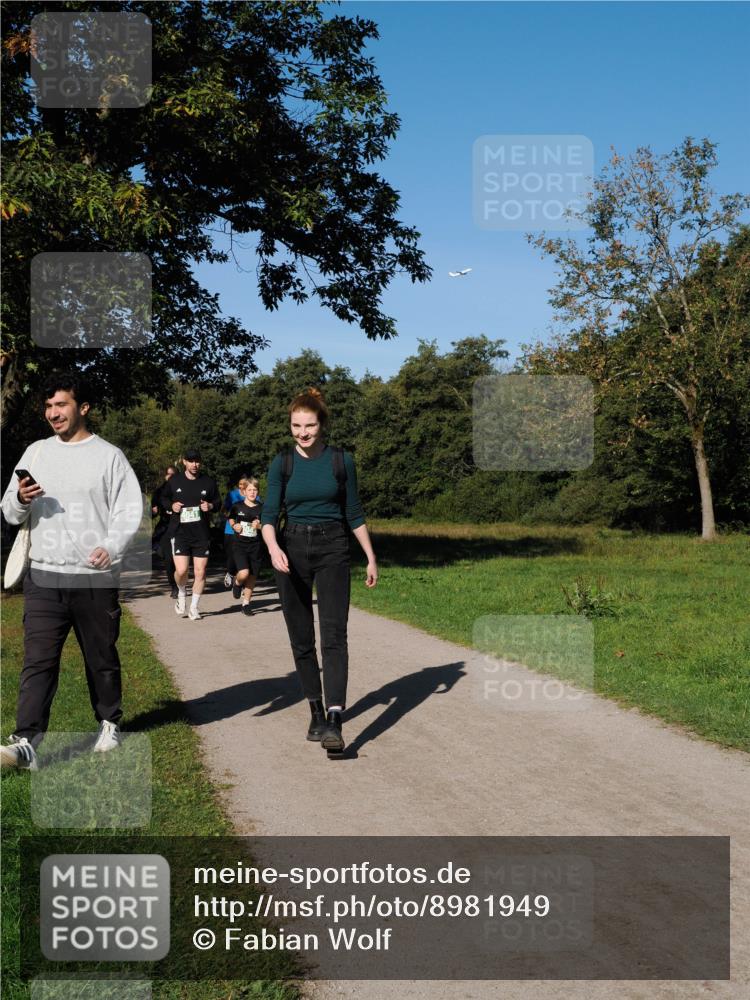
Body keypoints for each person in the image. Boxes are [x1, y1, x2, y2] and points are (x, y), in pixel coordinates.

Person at [0, 372, 143, 770]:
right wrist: (21, 499)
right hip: (43, 576)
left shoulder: (109, 456)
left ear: (84, 408)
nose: (53, 413)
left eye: (61, 404)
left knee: (101, 657)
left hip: (93, 577)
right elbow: (9, 511)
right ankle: (26, 741)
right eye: (48, 406)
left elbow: (129, 510)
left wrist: (110, 547)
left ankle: (109, 722)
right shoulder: (35, 453)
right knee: (38, 661)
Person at [261, 388, 377, 755]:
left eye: (309, 425)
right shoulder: (282, 463)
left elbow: (353, 511)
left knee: (334, 635)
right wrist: (273, 548)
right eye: (296, 426)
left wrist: (370, 556)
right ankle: (315, 710)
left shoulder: (341, 461)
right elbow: (268, 515)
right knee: (301, 637)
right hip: (291, 548)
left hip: (333, 547)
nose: (303, 433)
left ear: (321, 424)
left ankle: (334, 720)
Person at [161, 449, 220, 621]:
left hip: (201, 534)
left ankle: (194, 607)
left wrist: (210, 506)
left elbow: (218, 502)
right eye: (191, 461)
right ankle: (181, 592)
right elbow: (163, 498)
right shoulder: (174, 481)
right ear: (184, 462)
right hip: (180, 532)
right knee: (181, 571)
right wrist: (172, 506)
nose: (195, 464)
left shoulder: (208, 482)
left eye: (197, 461)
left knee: (200, 572)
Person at [228, 477, 264, 616]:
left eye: (255, 490)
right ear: (244, 491)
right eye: (249, 490)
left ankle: (246, 604)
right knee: (244, 573)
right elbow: (231, 518)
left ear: (258, 492)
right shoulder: (237, 506)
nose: (252, 492)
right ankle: (237, 583)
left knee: (252, 576)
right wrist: (234, 526)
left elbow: (267, 525)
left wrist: (259, 526)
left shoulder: (262, 507)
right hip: (240, 545)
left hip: (256, 545)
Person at [221, 475, 247, 589]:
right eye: (240, 484)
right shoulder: (232, 495)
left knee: (245, 557)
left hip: (246, 531)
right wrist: (231, 516)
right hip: (231, 530)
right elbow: (224, 510)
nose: (242, 486)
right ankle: (231, 572)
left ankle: (242, 582)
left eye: (244, 484)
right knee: (232, 555)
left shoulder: (253, 494)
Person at [151, 466, 177, 553]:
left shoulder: (182, 489)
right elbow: (154, 510)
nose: (170, 476)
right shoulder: (159, 491)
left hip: (179, 524)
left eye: (172, 474)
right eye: (168, 474)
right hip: (165, 523)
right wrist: (153, 512)